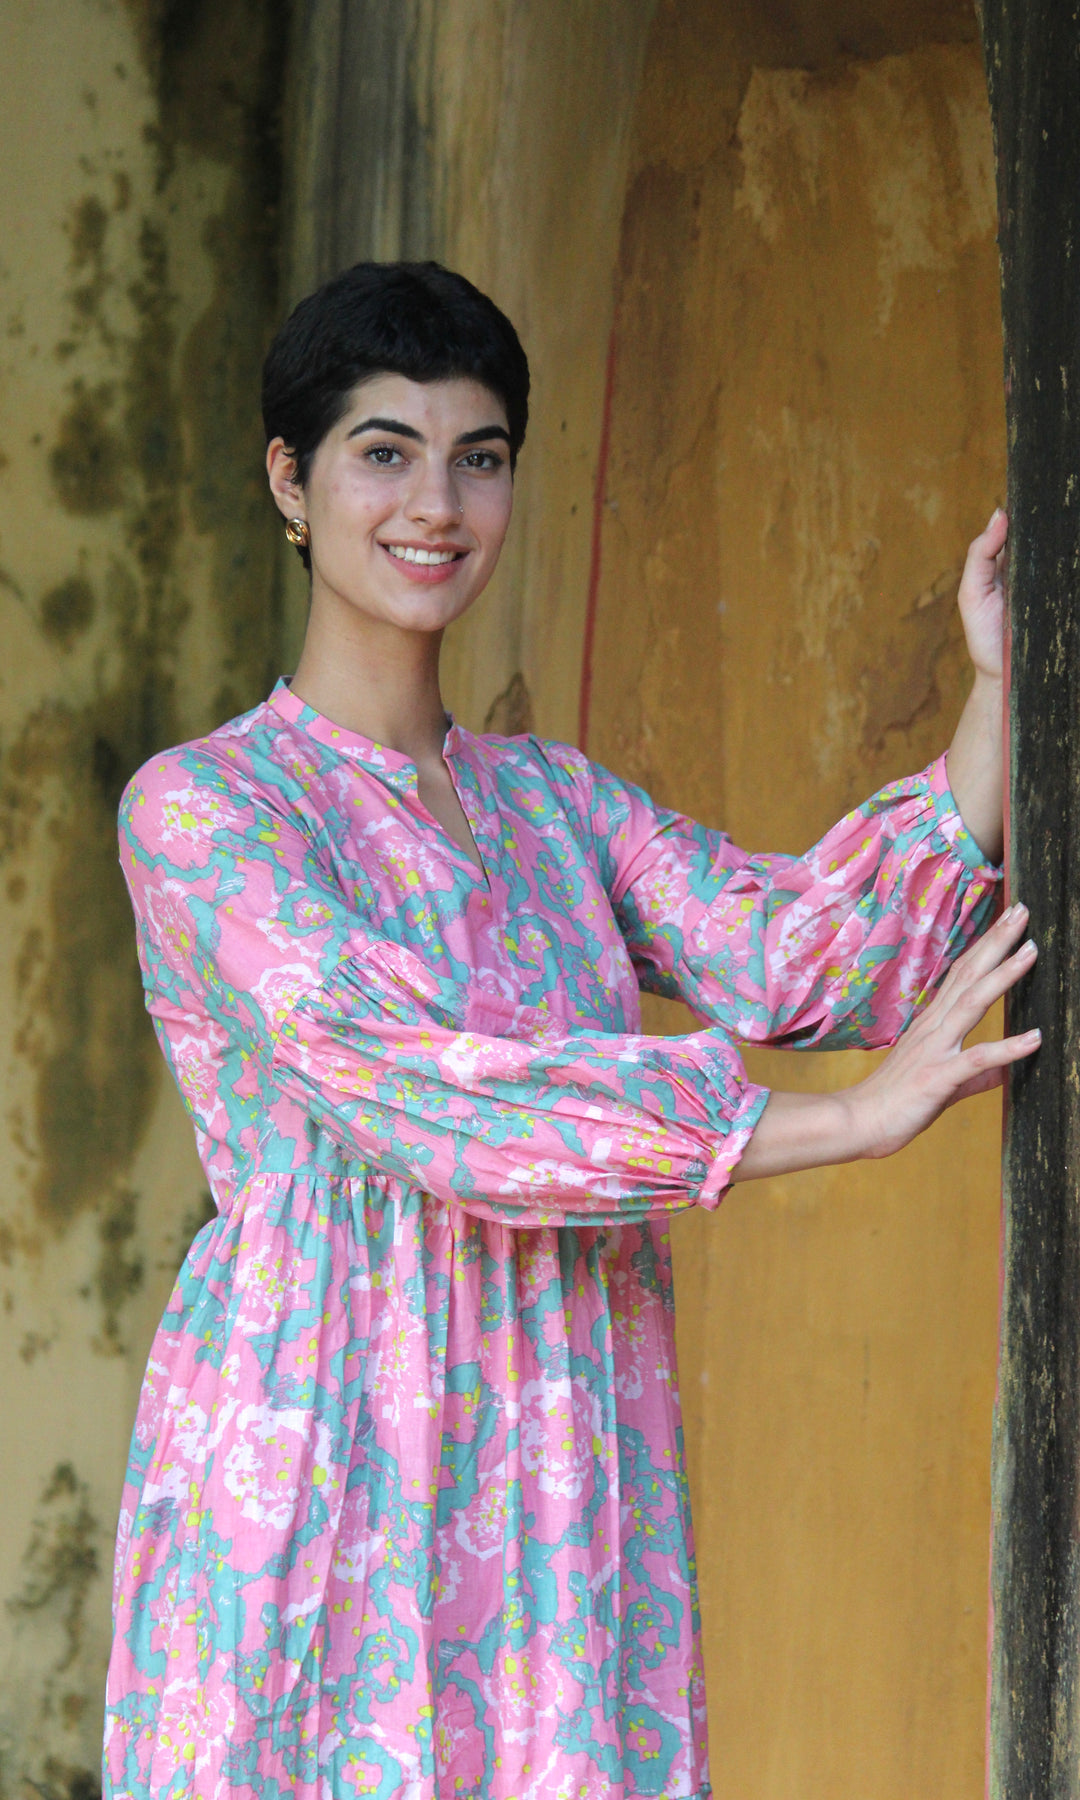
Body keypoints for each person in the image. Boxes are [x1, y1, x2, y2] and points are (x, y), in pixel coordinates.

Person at [103, 261, 1037, 1800]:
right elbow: (426, 1095)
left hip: (555, 1435)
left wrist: (997, 687)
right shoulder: (205, 810)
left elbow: (798, 954)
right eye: (385, 451)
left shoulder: (557, 803)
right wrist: (847, 1121)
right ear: (289, 480)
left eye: (479, 457)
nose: (437, 504)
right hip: (321, 1441)